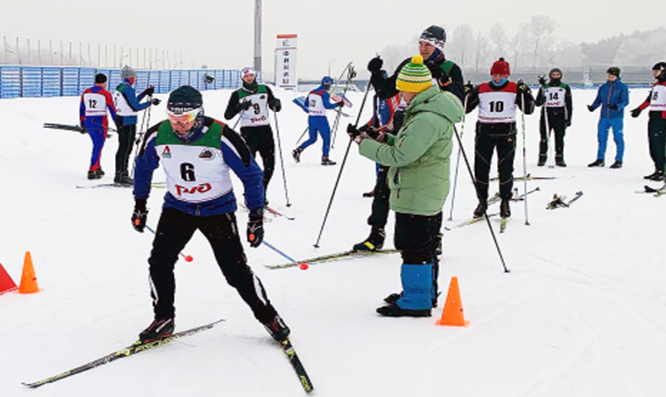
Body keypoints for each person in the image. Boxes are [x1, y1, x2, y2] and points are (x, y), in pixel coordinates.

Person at [131, 85, 290, 343]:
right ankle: (164, 319)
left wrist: (256, 216)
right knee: (159, 263)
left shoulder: (221, 136)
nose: (179, 125)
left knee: (235, 271)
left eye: (186, 119)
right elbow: (142, 167)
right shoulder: (157, 134)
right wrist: (140, 203)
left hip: (217, 209)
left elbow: (251, 175)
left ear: (199, 114)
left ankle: (268, 316)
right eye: (173, 118)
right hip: (178, 208)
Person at [348, 55, 464, 317]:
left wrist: (365, 146)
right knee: (424, 243)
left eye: (402, 88)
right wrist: (380, 136)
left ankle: (416, 300)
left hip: (417, 191)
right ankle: (424, 292)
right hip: (424, 188)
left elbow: (402, 156)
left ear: (415, 88)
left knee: (413, 244)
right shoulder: (429, 110)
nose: (399, 93)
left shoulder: (426, 118)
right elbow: (407, 144)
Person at [464, 58, 535, 219]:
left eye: (501, 75)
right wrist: (465, 93)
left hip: (506, 133)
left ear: (507, 75)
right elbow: (465, 108)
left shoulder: (514, 88)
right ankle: (482, 201)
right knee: (481, 170)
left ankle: (505, 201)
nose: (497, 78)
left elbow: (529, 110)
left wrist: (526, 93)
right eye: (495, 75)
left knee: (505, 170)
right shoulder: (481, 88)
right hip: (484, 133)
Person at [350, 87, 402, 252]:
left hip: (410, 153)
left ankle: (433, 238)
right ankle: (376, 235)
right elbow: (381, 121)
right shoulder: (379, 97)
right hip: (390, 148)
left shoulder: (401, 97)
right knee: (381, 192)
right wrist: (366, 131)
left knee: (412, 197)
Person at [224, 67, 281, 202]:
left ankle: (262, 191)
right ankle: (250, 194)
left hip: (265, 129)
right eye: (246, 76)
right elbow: (227, 115)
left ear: (254, 76)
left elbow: (276, 108)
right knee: (250, 165)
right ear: (242, 79)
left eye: (251, 75)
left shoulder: (265, 89)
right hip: (248, 131)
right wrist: (239, 107)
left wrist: (276, 103)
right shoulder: (237, 94)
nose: (249, 78)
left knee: (270, 163)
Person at [367, 25, 465, 103]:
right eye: (420, 44)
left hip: (436, 122)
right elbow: (386, 92)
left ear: (438, 47)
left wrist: (444, 81)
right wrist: (376, 73)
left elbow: (458, 103)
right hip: (408, 121)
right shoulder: (410, 64)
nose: (423, 48)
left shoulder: (450, 68)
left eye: (428, 45)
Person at [113, 65, 161, 186]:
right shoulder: (128, 89)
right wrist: (150, 103)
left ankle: (119, 174)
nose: (135, 79)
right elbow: (135, 106)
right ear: (128, 77)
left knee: (122, 148)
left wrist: (145, 93)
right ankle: (122, 174)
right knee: (126, 148)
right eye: (133, 77)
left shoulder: (121, 87)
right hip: (128, 121)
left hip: (121, 119)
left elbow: (132, 101)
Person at [291, 76, 344, 165]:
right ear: (328, 84)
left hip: (311, 118)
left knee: (312, 138)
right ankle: (325, 158)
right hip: (321, 119)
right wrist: (338, 104)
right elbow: (327, 106)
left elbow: (306, 104)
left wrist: (312, 110)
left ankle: (298, 150)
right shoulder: (325, 93)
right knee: (326, 138)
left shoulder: (312, 92)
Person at [586, 66, 629, 169]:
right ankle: (600, 159)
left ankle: (619, 160)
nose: (610, 78)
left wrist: (617, 106)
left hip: (616, 117)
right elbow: (599, 99)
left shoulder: (622, 87)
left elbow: (625, 101)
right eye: (609, 76)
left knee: (618, 138)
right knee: (601, 138)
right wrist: (593, 107)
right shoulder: (603, 87)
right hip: (604, 116)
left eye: (612, 76)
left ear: (617, 76)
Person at [630, 62, 666, 181]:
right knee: (653, 145)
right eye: (653, 71)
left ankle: (662, 170)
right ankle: (657, 168)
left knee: (661, 146)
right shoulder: (656, 85)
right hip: (654, 117)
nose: (654, 74)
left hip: (662, 118)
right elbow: (650, 99)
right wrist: (639, 109)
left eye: (657, 71)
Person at [79, 73, 117, 180]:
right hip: (100, 123)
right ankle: (92, 169)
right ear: (105, 82)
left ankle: (98, 167)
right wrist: (119, 125)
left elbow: (82, 108)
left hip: (88, 121)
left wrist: (82, 122)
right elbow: (112, 110)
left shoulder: (86, 92)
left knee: (97, 145)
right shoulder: (105, 93)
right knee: (98, 146)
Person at [535, 68, 573, 167]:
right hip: (547, 113)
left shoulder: (565, 87)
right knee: (544, 137)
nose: (555, 76)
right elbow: (537, 103)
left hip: (560, 114)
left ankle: (559, 158)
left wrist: (568, 118)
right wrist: (541, 99)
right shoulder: (545, 87)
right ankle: (542, 157)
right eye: (553, 74)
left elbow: (569, 104)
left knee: (559, 137)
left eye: (557, 74)